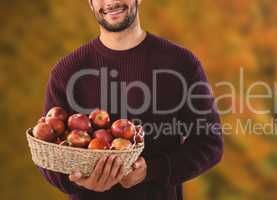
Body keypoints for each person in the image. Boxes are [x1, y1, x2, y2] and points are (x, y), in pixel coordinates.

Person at [38, 0, 223, 199]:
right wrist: (78, 181)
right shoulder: (67, 72)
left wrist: (151, 170)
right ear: (90, 3)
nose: (110, 2)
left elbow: (209, 143)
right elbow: (47, 156)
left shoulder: (180, 63)